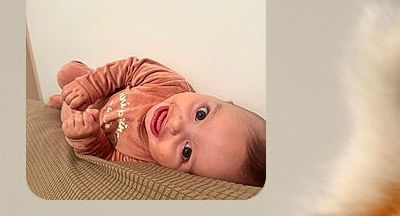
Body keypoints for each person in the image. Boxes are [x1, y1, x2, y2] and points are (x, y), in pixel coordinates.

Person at [48, 57, 265, 186]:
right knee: (68, 73)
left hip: (88, 120)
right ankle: (68, 94)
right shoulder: (169, 86)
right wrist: (91, 86)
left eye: (186, 151)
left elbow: (106, 156)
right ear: (222, 100)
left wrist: (88, 136)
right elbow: (131, 68)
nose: (176, 125)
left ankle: (63, 103)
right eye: (201, 114)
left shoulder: (146, 162)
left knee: (70, 120)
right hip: (100, 94)